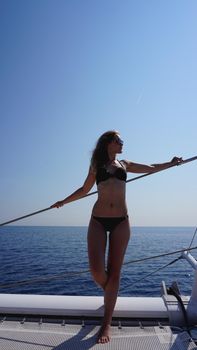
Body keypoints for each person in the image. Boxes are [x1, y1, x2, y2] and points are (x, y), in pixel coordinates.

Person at [51, 130, 182, 343]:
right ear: (109, 143)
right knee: (96, 271)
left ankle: (106, 324)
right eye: (119, 140)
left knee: (115, 272)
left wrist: (171, 163)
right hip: (98, 220)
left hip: (121, 221)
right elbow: (84, 190)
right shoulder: (96, 164)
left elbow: (150, 168)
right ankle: (111, 290)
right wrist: (63, 201)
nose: (122, 143)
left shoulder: (125, 164)